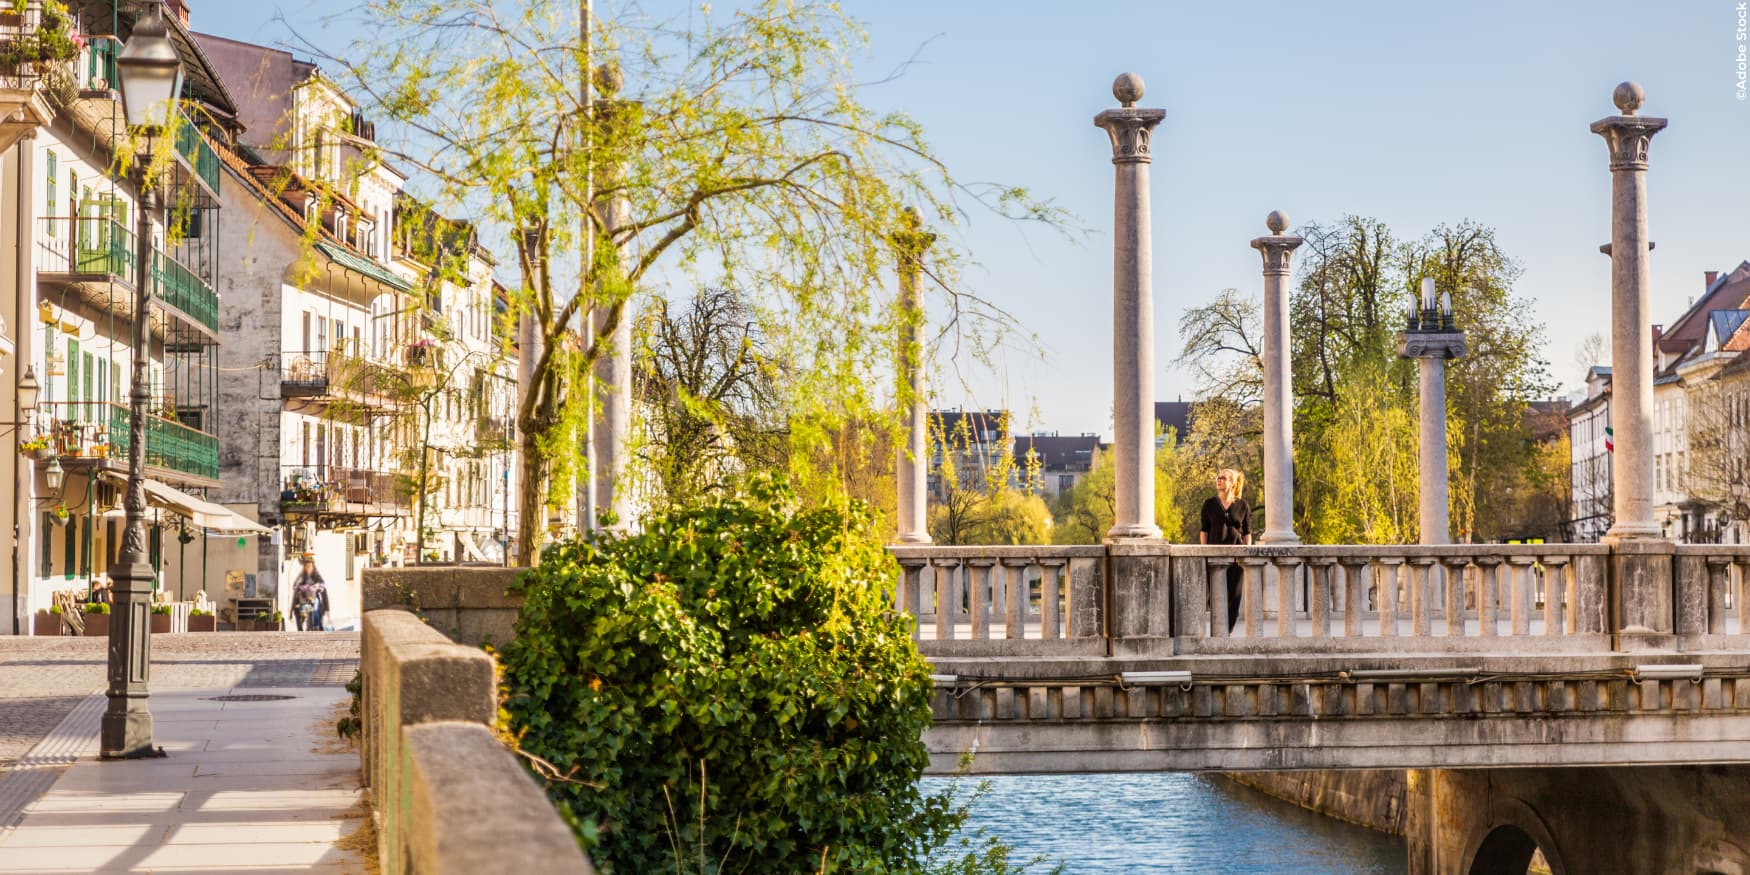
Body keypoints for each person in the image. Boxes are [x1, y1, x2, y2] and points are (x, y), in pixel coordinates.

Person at [1199, 468, 1252, 632]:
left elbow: (1247, 533)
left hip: (1236, 559)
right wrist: (1205, 553)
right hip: (1214, 558)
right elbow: (1204, 531)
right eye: (1218, 477)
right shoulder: (1209, 504)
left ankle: (1226, 634)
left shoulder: (1243, 505)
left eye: (1223, 478)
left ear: (1232, 483)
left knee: (1234, 599)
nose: (1218, 480)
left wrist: (1247, 554)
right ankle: (1218, 632)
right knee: (1215, 597)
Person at [292, 559, 328, 632]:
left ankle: (317, 625)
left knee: (316, 608)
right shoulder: (301, 576)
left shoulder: (316, 575)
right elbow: (295, 586)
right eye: (307, 566)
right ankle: (303, 623)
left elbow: (322, 585)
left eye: (310, 566)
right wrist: (303, 587)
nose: (308, 568)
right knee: (301, 610)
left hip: (314, 597)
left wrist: (317, 586)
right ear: (304, 567)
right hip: (303, 598)